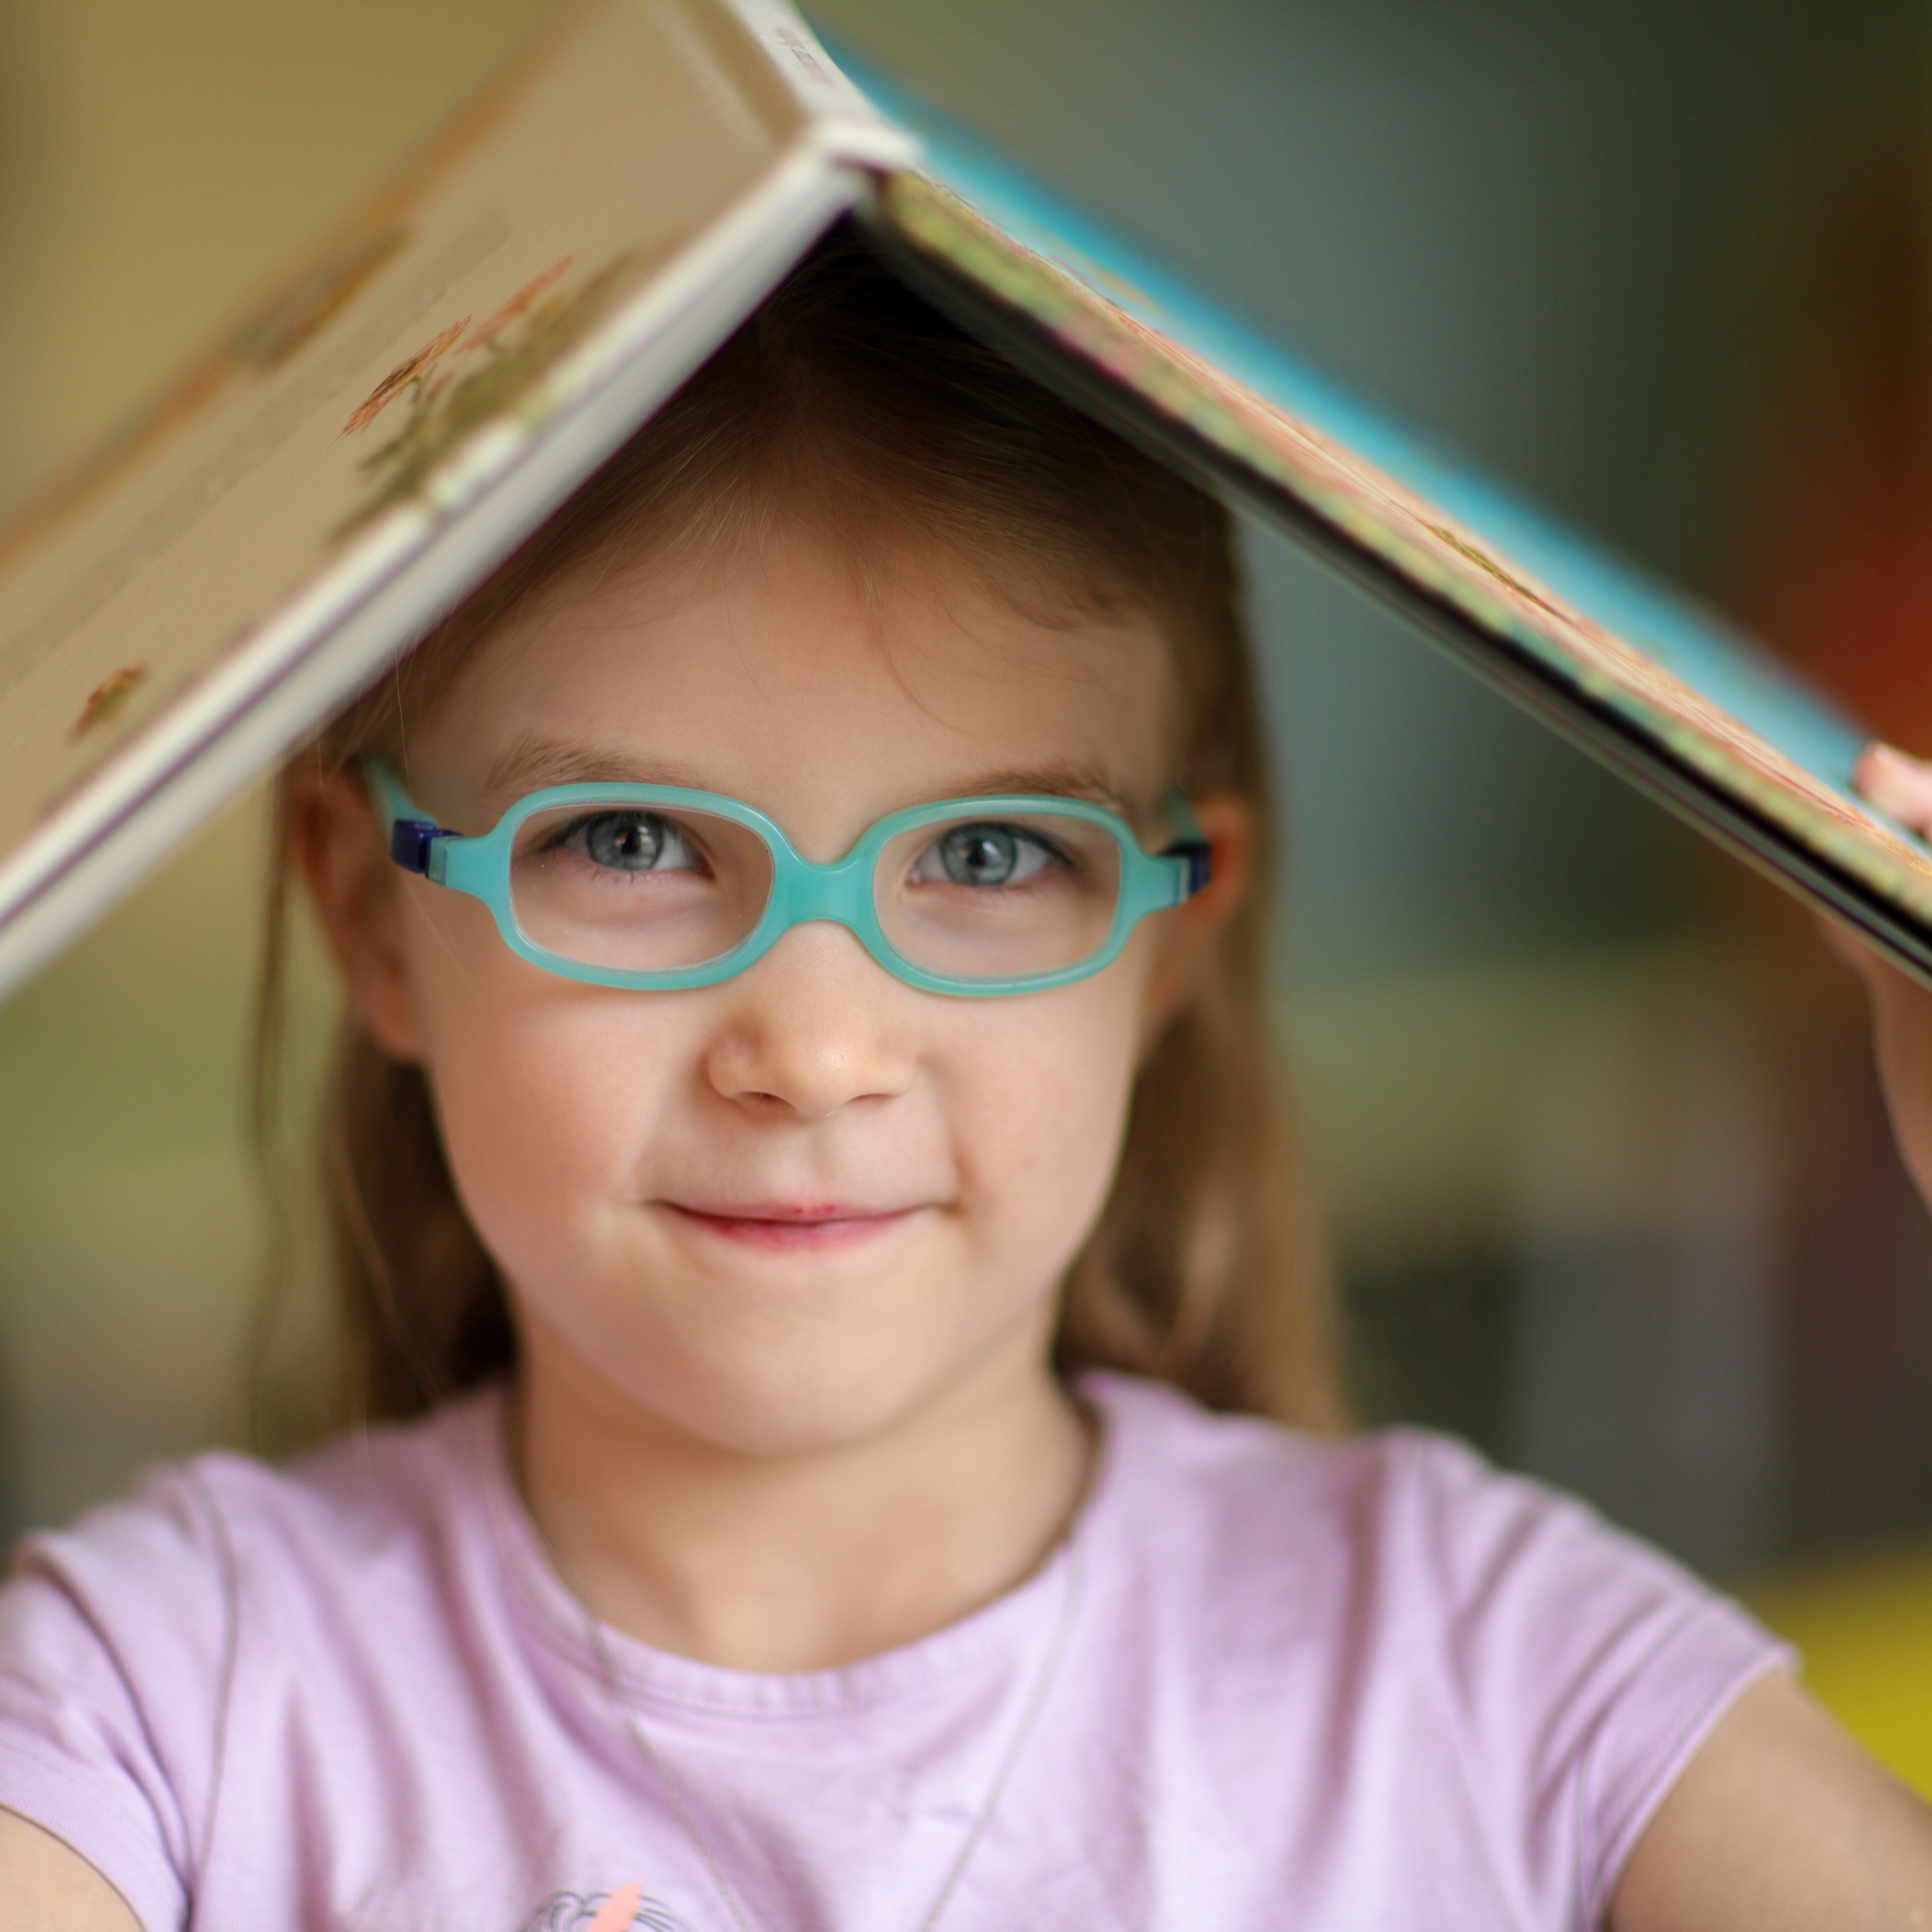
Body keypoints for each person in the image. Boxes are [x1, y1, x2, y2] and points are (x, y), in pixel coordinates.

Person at [0, 226, 1929, 1932]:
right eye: (631, 842)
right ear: (369, 915)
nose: (813, 1048)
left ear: (1170, 940)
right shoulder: (153, 1706)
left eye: (992, 856)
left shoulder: (1502, 1670)